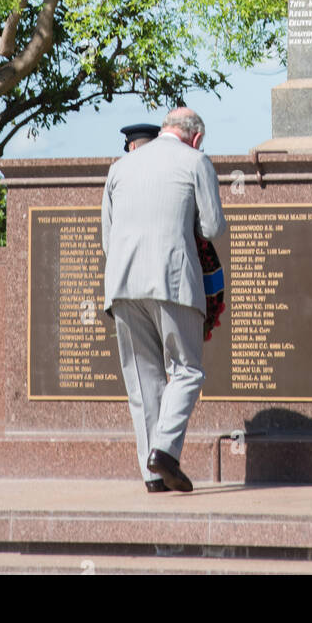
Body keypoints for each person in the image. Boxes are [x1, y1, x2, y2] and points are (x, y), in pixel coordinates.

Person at [102, 106, 226, 493]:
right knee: (187, 370)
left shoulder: (121, 166)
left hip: (122, 284)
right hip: (172, 280)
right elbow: (212, 226)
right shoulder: (196, 161)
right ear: (196, 137)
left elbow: (108, 239)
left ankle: (152, 475)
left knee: (143, 379)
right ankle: (166, 452)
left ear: (164, 129)